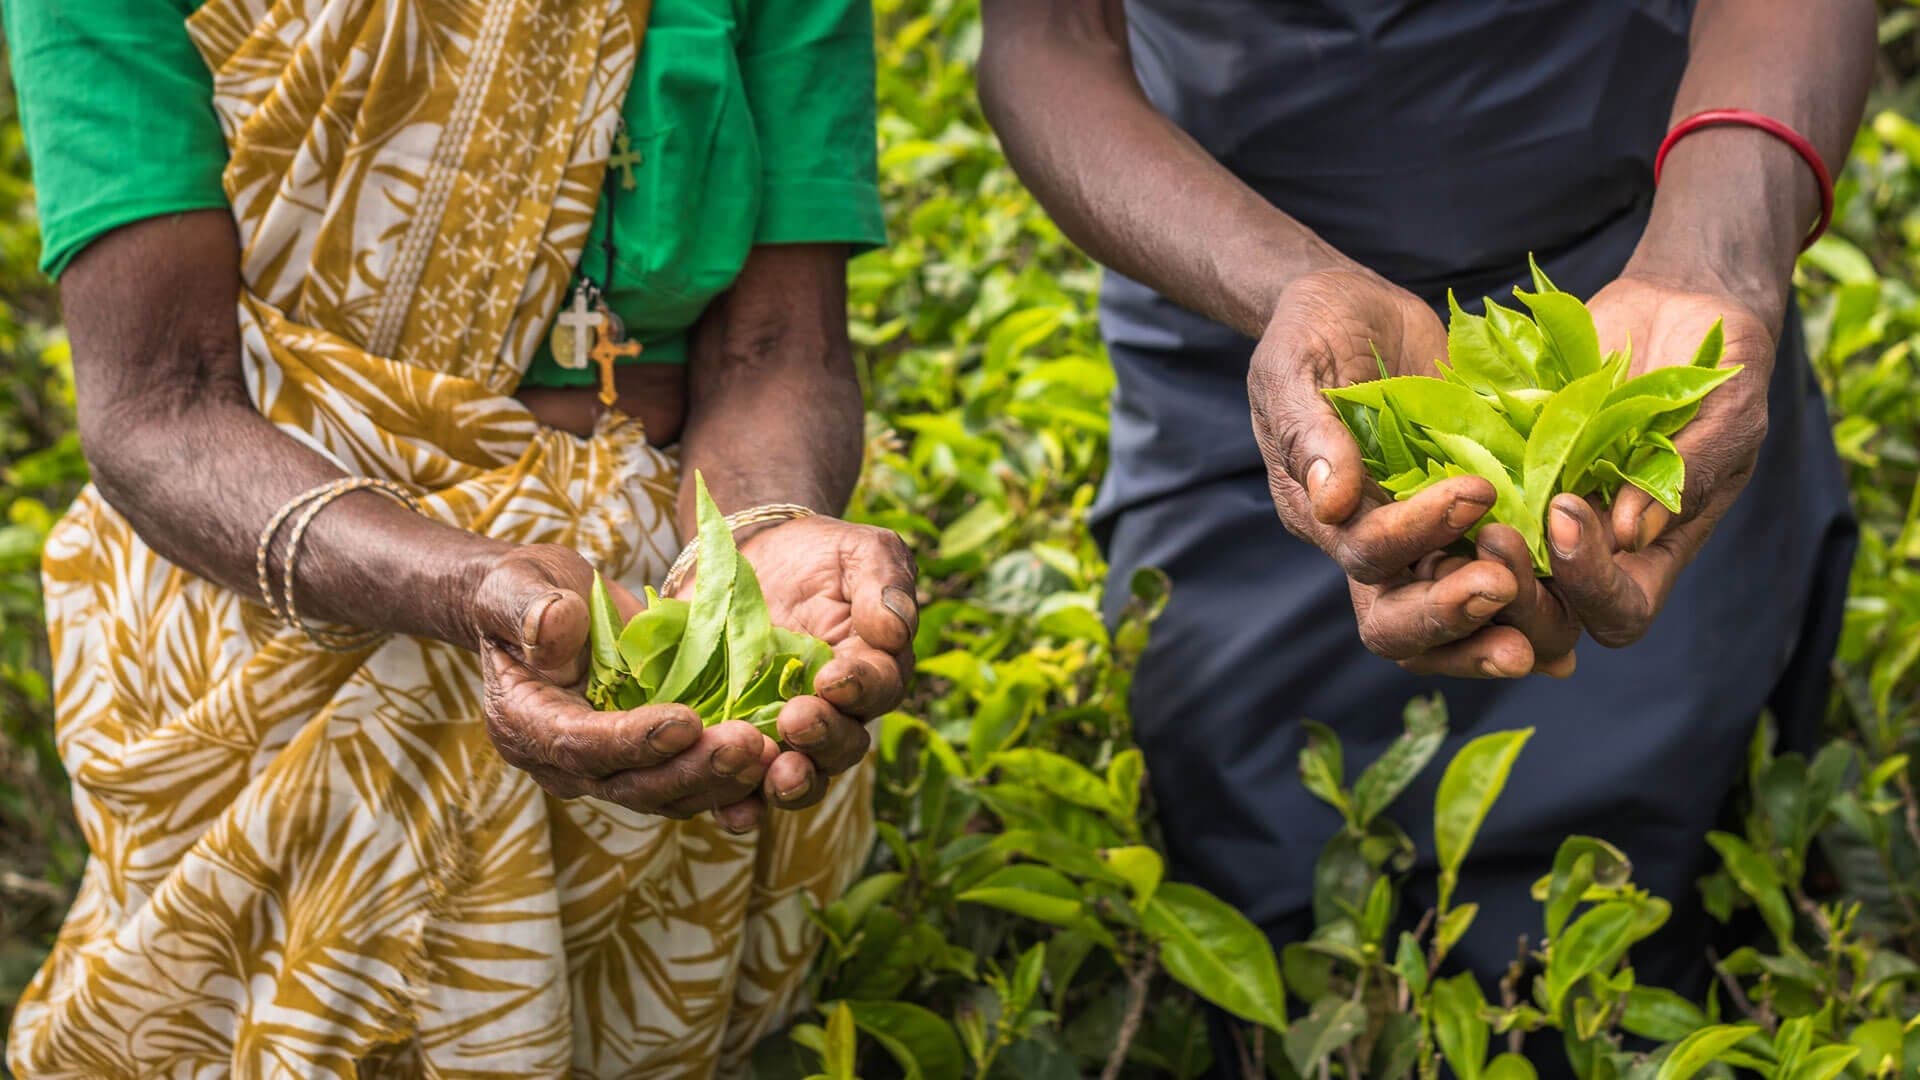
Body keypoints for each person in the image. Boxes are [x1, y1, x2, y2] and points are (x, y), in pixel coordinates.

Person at [4, 0, 913, 1075]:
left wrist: (764, 537)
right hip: (279, 605)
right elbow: (166, 405)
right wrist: (469, 581)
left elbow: (775, 351)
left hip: (659, 610)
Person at [979, 0, 1871, 1071]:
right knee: (1290, 916)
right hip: (1241, 312)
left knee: (1676, 892)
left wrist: (1720, 261)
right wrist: (1289, 287)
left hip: (1638, 278)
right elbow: (1046, 41)